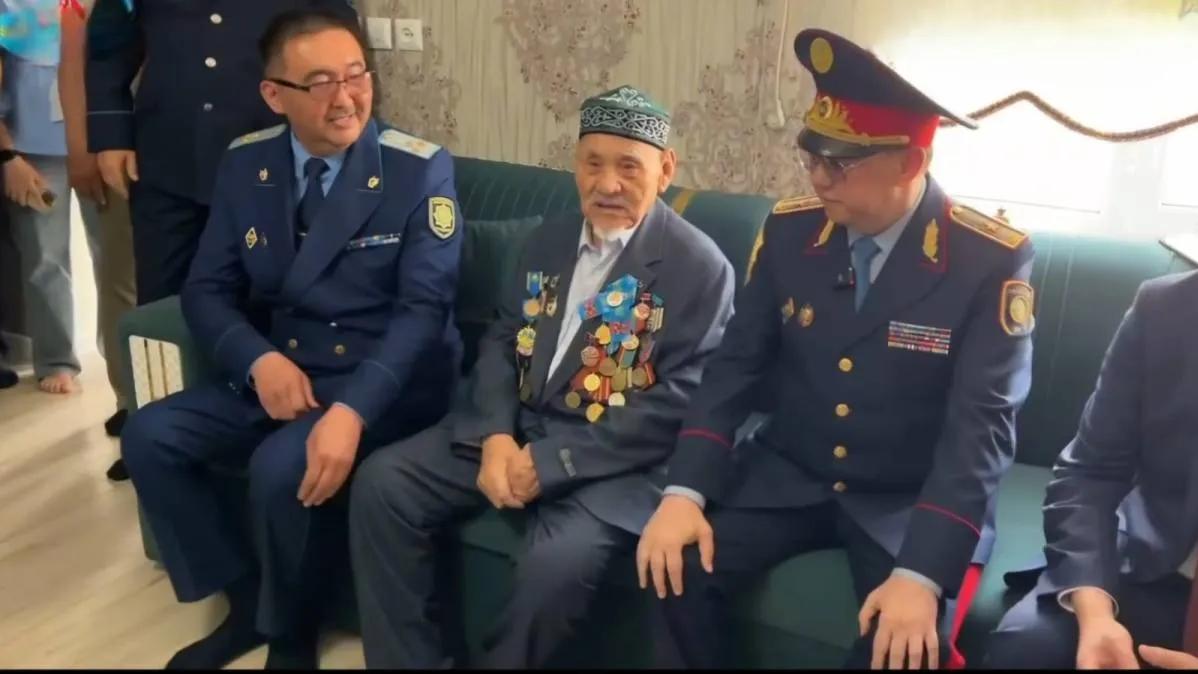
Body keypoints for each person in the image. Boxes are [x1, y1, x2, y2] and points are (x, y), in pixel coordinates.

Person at [637, 28, 1037, 670]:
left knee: (903, 646)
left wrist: (921, 574)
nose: (819, 178)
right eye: (812, 157)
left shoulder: (986, 259)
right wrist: (683, 491)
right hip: (789, 472)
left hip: (909, 498)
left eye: (841, 164)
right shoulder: (791, 231)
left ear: (911, 162)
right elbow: (734, 368)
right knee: (671, 565)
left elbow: (981, 431)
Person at [348, 84, 737, 669]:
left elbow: (681, 399)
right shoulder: (546, 240)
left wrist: (555, 462)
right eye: (593, 164)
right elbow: (503, 339)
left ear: (665, 170)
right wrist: (495, 436)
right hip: (518, 427)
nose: (608, 184)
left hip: (612, 460)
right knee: (383, 484)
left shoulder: (699, 267)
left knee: (552, 567)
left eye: (629, 167)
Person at [117, 9, 461, 669]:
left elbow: (425, 312)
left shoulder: (417, 170)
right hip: (285, 371)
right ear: (275, 96)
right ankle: (246, 602)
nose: (347, 97)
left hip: (380, 383)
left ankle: (290, 631)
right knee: (149, 437)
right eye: (322, 82)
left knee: (283, 468)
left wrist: (353, 411)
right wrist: (257, 361)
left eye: (357, 75)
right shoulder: (248, 163)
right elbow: (206, 289)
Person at [84, 0, 359, 481]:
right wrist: (110, 133)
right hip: (168, 157)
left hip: (269, 157)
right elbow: (109, 42)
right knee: (159, 303)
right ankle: (155, 432)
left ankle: (257, 433)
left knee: (265, 299)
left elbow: (334, 33)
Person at [985, 272, 1198, 670]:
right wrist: (1094, 610)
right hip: (1156, 563)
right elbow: (1090, 471)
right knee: (1027, 649)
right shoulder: (1166, 308)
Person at [0, 0, 133, 408]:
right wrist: (7, 156)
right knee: (43, 258)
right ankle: (56, 360)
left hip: (104, 144)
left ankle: (121, 361)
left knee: (116, 262)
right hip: (31, 150)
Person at [59, 0, 138, 440]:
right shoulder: (85, 5)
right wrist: (81, 147)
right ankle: (130, 398)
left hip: (189, 139)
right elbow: (74, 67)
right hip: (118, 147)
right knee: (122, 279)